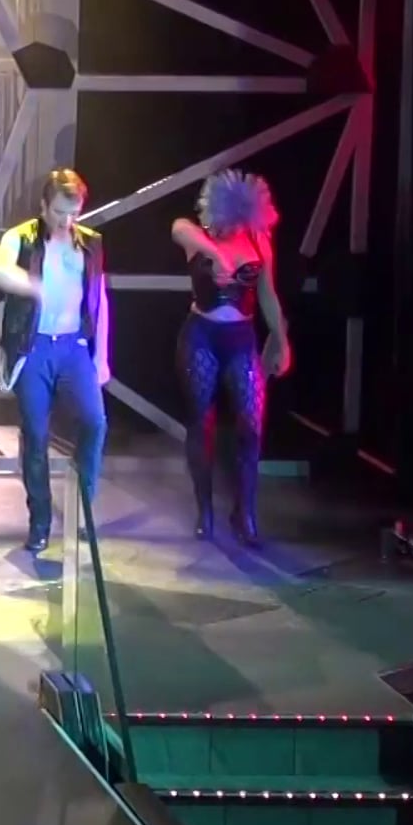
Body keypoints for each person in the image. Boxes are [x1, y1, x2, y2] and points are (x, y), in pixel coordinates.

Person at [0, 167, 111, 554]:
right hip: (34, 346)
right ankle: (39, 519)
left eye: (73, 213)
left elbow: (100, 299)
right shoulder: (21, 237)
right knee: (36, 435)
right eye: (58, 212)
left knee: (95, 422)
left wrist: (102, 355)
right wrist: (29, 284)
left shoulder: (90, 244)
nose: (66, 221)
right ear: (43, 206)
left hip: (74, 346)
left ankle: (82, 508)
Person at [172, 168, 290, 547]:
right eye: (217, 222)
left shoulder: (258, 241)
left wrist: (281, 341)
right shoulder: (199, 236)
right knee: (200, 423)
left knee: (252, 425)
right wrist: (215, 253)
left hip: (241, 338)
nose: (222, 229)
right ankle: (204, 510)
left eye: (230, 224)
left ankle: (245, 513)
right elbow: (178, 228)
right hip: (201, 335)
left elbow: (268, 296)